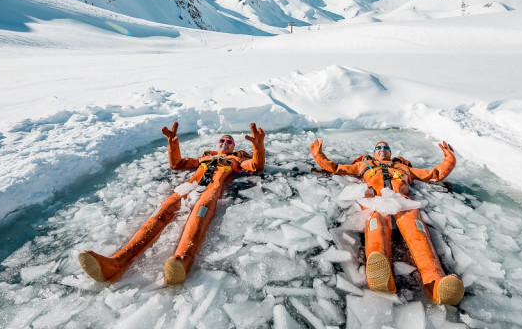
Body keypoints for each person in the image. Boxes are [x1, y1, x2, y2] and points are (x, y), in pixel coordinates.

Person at [79, 122, 265, 286]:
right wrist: (173, 142)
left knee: (199, 214)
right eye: (222, 141)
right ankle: (116, 263)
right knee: (161, 212)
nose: (225, 143)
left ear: (234, 147)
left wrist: (258, 147)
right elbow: (178, 163)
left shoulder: (237, 159)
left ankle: (183, 260)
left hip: (212, 189)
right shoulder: (205, 157)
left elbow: (255, 166)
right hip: (189, 186)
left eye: (229, 142)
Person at [310, 138, 464, 305]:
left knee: (419, 236)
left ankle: (436, 283)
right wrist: (319, 156)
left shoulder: (403, 168)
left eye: (385, 148)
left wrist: (450, 160)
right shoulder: (363, 165)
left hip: (404, 204)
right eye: (379, 148)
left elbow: (434, 174)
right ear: (374, 152)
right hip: (377, 203)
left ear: (390, 153)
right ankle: (383, 279)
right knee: (377, 230)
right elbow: (336, 168)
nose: (382, 150)